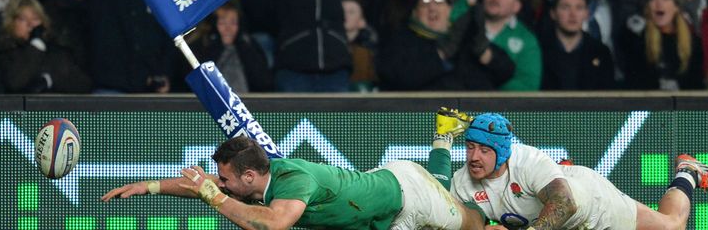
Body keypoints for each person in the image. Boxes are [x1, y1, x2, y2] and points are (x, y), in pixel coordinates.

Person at [429, 110, 708, 230]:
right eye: (470, 147)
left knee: (671, 226)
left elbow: (565, 204)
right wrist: (441, 143)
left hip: (593, 205)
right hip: (560, 213)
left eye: (484, 150)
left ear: (502, 153)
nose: (474, 157)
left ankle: (687, 172)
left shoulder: (526, 160)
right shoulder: (463, 182)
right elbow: (442, 209)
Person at [101, 136, 488, 230]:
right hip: (383, 220)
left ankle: (443, 141)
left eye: (226, 179)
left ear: (249, 177)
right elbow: (204, 185)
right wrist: (149, 187)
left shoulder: (293, 181)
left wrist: (214, 198)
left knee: (473, 224)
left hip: (410, 192)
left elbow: (273, 224)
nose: (220, 185)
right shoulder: (256, 180)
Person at [620, 0, 703, 90]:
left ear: (676, 7)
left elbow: (696, 83)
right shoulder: (638, 40)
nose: (659, 4)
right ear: (647, 8)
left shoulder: (693, 43)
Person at [539, 0, 615, 90]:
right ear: (553, 13)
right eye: (565, 7)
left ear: (587, 14)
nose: (573, 14)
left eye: (579, 8)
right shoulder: (538, 49)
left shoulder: (600, 52)